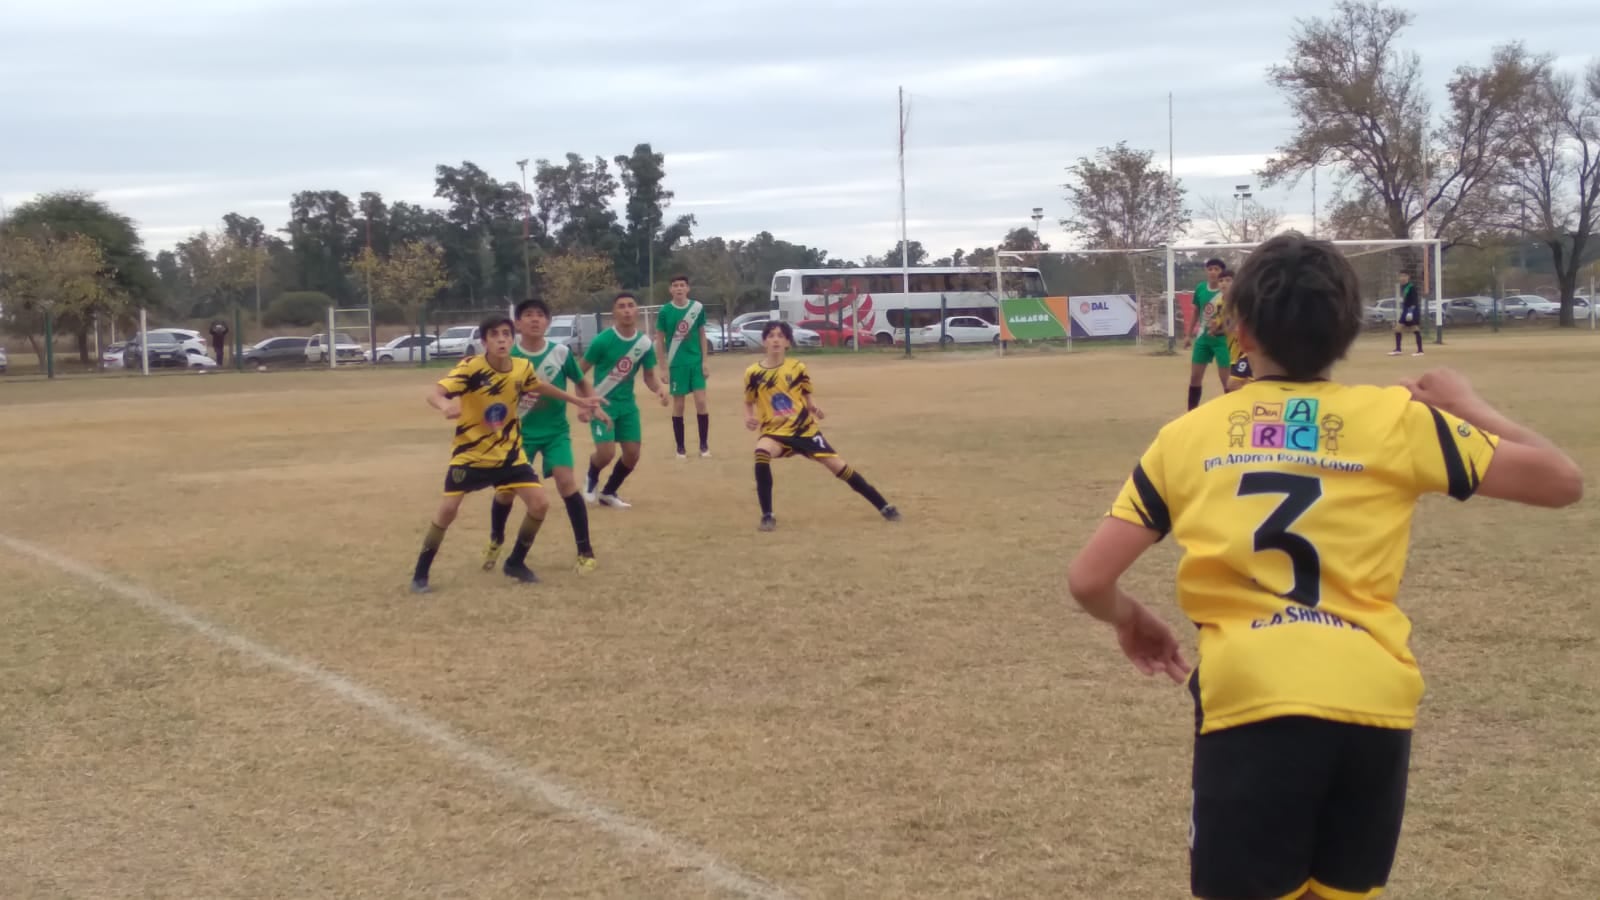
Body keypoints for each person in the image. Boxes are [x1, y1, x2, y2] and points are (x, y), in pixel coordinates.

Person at [1064, 232, 1582, 900]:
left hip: (1251, 696)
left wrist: (1130, 619)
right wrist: (1467, 405)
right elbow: (1563, 481)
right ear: (1348, 330)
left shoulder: (1188, 437)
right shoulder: (1396, 420)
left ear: (1240, 330)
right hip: (1372, 700)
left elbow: (1089, 580)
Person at [410, 315, 603, 594]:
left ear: (512, 340)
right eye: (494, 335)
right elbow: (436, 392)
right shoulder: (470, 368)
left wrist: (578, 400)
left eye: (505, 334)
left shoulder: (521, 367)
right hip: (471, 454)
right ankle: (420, 574)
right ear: (484, 341)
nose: (501, 339)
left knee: (539, 504)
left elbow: (540, 386)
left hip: (510, 454)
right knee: (448, 510)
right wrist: (444, 406)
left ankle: (515, 562)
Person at [484, 299, 607, 575]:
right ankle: (495, 540)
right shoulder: (507, 355)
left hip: (555, 433)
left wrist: (591, 405)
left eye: (540, 315)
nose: (535, 320)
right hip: (517, 436)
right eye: (528, 315)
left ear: (548, 322)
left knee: (567, 483)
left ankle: (585, 551)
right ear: (517, 323)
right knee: (505, 493)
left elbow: (582, 381)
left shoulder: (561, 353)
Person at [744, 321, 901, 532]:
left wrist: (813, 407)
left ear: (788, 342)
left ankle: (884, 506)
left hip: (804, 430)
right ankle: (767, 516)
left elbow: (806, 394)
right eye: (771, 335)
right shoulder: (753, 372)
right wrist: (749, 417)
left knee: (839, 467)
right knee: (761, 452)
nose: (775, 339)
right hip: (774, 432)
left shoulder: (797, 367)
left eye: (781, 336)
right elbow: (749, 400)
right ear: (764, 341)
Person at [582, 292, 669, 509]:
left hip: (628, 406)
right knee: (606, 453)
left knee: (632, 454)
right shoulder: (602, 340)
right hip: (602, 405)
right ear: (614, 312)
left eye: (631, 305)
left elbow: (649, 376)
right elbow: (579, 371)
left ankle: (609, 492)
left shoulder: (644, 343)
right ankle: (591, 476)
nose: (627, 310)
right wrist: (587, 401)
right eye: (622, 306)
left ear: (637, 310)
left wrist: (659, 389)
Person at [654, 274, 712, 458]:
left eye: (682, 285)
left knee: (701, 402)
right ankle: (680, 448)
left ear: (688, 288)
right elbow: (660, 340)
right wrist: (663, 367)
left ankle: (704, 446)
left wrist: (705, 361)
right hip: (676, 364)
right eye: (675, 285)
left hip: (695, 362)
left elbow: (702, 334)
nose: (679, 288)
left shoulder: (697, 308)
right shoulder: (665, 311)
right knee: (679, 405)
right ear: (671, 289)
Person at [1185, 257, 1231, 409]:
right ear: (1206, 271)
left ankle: (1232, 411)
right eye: (1210, 269)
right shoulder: (1200, 288)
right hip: (1203, 338)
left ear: (1221, 272)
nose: (1213, 272)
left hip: (1222, 339)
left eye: (1216, 269)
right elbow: (1196, 312)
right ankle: (1191, 412)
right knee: (1195, 377)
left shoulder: (1226, 290)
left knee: (1227, 380)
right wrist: (1188, 334)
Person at [1213, 270, 1252, 392]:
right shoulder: (1219, 303)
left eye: (1228, 280)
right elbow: (1224, 325)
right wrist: (1215, 327)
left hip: (1247, 350)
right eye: (1221, 281)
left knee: (1234, 385)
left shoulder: (1242, 301)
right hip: (1233, 351)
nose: (1224, 283)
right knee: (1241, 387)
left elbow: (1236, 324)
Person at [1391, 270, 1424, 356]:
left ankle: (1420, 351)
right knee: (1397, 329)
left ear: (1408, 277)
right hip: (1406, 310)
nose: (1402, 278)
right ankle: (1398, 349)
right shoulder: (1403, 287)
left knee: (1415, 329)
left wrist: (1410, 312)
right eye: (1401, 276)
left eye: (1404, 276)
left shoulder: (1411, 287)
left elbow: (1415, 300)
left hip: (1411, 310)